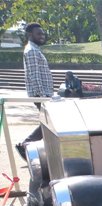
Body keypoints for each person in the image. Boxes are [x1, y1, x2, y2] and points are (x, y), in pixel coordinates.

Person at [15, 22, 53, 160]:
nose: (42, 36)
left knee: (48, 122)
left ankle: (28, 145)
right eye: (39, 34)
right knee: (49, 123)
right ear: (30, 34)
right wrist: (43, 96)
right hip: (40, 95)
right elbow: (34, 75)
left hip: (44, 94)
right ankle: (26, 144)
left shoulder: (35, 49)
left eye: (43, 34)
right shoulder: (31, 50)